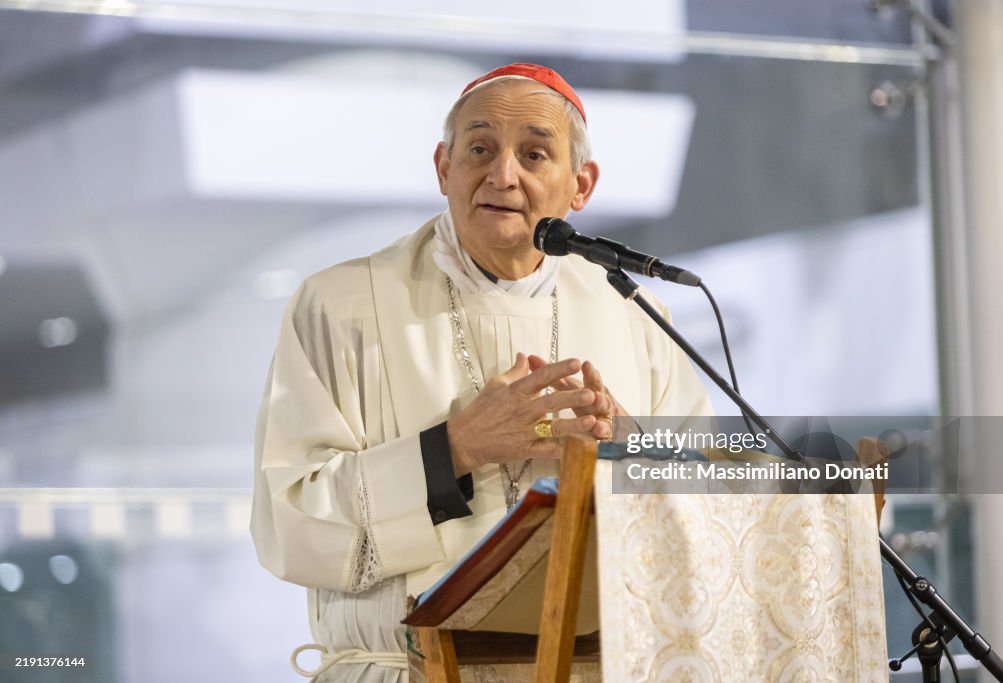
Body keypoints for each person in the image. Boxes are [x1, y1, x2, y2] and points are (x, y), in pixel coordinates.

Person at [251, 63, 711, 682]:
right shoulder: (342, 304)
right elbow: (290, 520)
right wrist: (455, 449)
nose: (503, 175)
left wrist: (629, 450)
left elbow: (707, 511)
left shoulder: (635, 312)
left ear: (582, 185)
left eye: (534, 153)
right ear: (444, 168)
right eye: (480, 148)